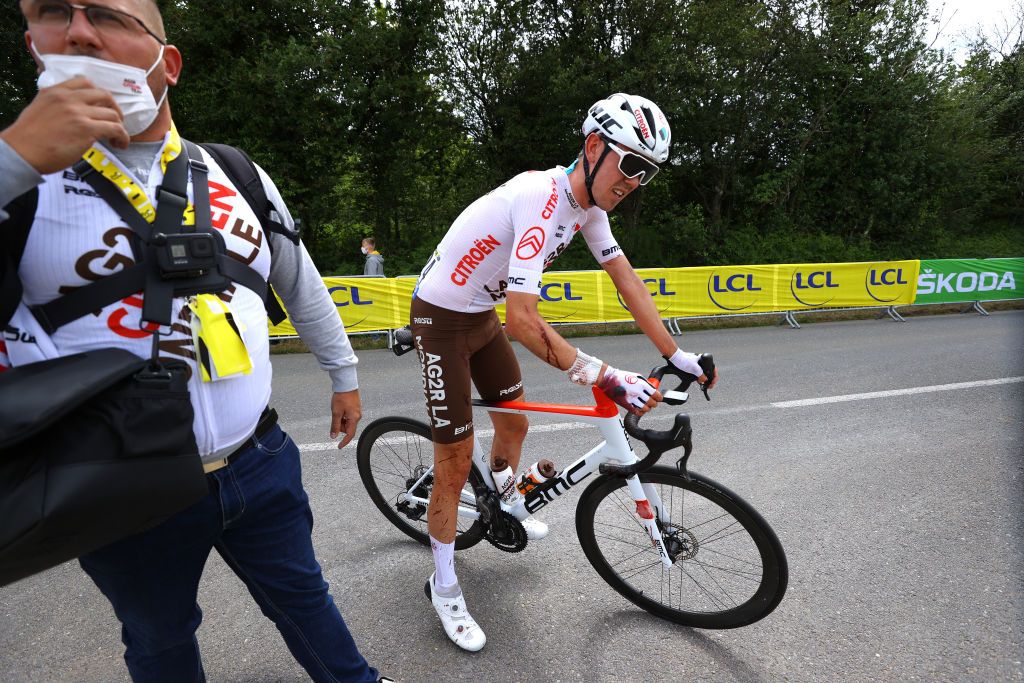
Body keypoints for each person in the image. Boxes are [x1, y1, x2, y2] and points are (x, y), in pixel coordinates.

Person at [0, 2, 387, 681]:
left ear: (166, 63)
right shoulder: (18, 183)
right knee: (159, 635)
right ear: (34, 46)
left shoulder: (234, 169)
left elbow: (300, 281)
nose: (82, 31)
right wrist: (13, 160)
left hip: (257, 459)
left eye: (106, 16)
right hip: (118, 480)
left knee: (305, 596)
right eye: (54, 12)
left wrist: (344, 371)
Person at [409, 92, 719, 651]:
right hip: (442, 317)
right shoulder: (542, 198)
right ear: (595, 147)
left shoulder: (590, 210)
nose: (634, 181)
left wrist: (677, 356)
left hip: (478, 313)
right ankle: (445, 584)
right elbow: (524, 322)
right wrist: (604, 374)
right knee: (454, 460)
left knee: (515, 425)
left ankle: (502, 504)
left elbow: (627, 282)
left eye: (647, 173)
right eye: (630, 165)